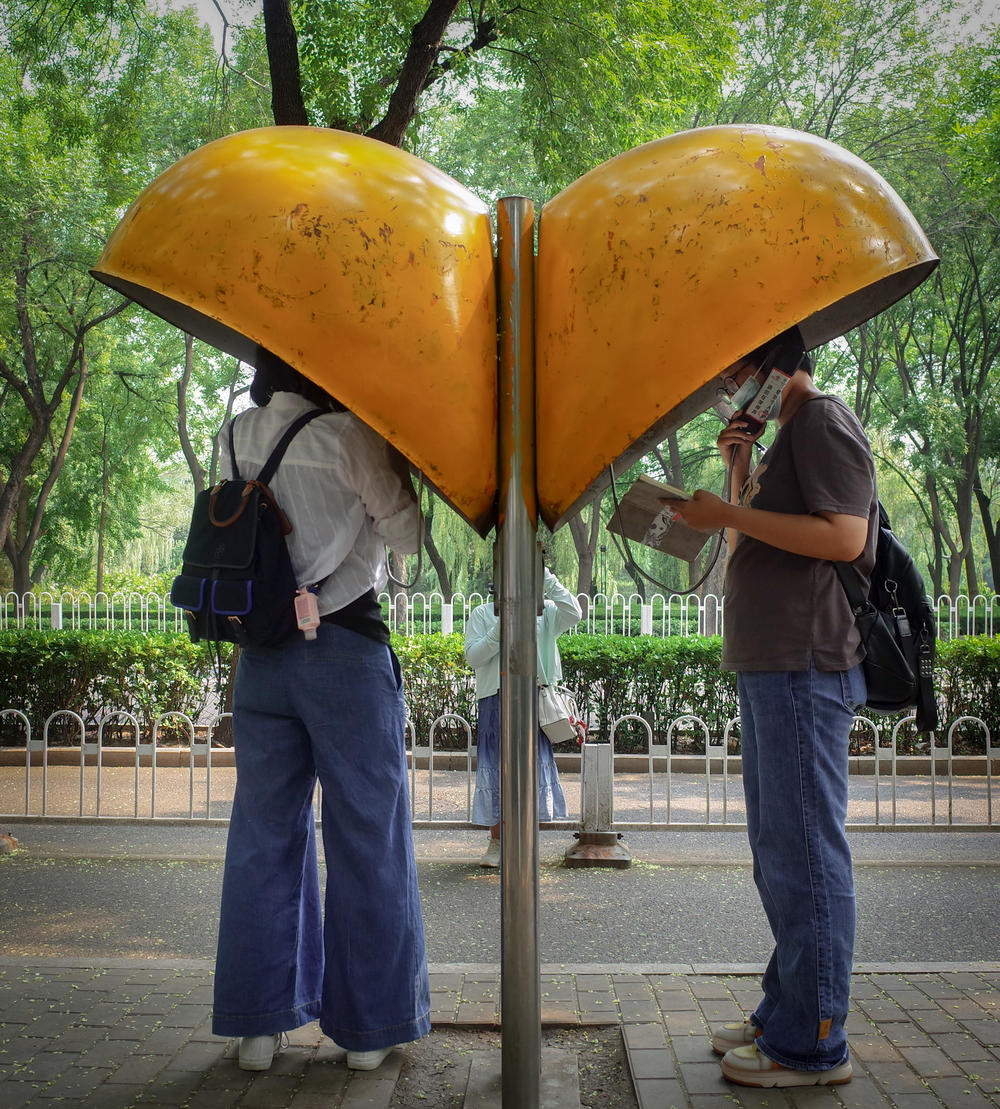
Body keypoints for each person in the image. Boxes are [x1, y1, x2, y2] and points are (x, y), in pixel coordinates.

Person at [663, 325, 876, 1089]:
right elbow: (770, 537)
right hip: (776, 664)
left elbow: (847, 536)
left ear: (775, 366)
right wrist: (739, 467)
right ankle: (786, 1009)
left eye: (735, 369)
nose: (726, 385)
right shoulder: (787, 434)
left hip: (804, 662)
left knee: (806, 856)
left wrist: (731, 514)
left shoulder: (822, 419)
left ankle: (813, 1044)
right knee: (781, 852)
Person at [211, 347, 430, 1073]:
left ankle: (256, 1028)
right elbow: (408, 540)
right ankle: (370, 1030)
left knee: (262, 835)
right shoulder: (349, 436)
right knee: (367, 834)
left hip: (262, 655)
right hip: (344, 651)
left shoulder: (235, 435)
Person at [464, 568, 582, 866]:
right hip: (496, 699)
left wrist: (548, 579)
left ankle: (525, 842)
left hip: (534, 699)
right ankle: (496, 843)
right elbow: (473, 657)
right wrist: (500, 628)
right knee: (496, 767)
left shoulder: (546, 613)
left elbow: (575, 612)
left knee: (529, 770)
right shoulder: (482, 613)